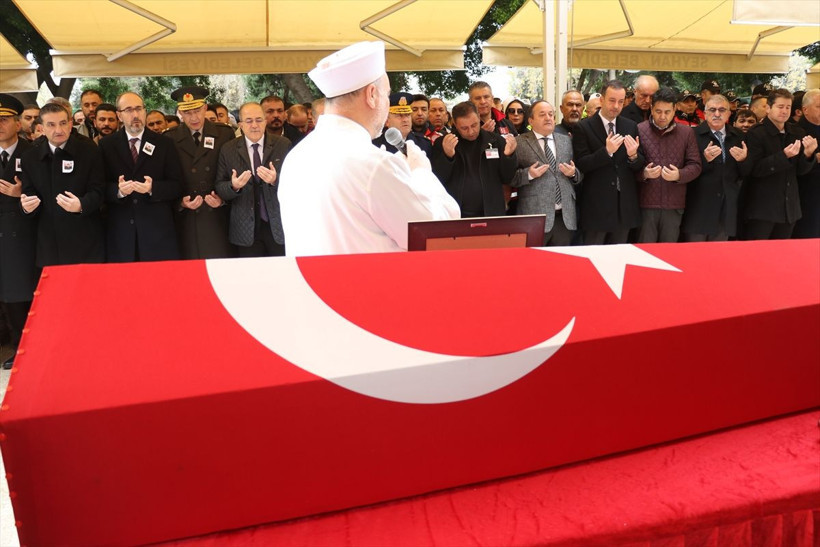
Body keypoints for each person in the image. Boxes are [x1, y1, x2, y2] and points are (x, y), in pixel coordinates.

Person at [279, 41, 459, 255]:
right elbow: (438, 233)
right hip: (369, 278)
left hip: (311, 278)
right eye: (386, 95)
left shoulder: (296, 156)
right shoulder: (373, 164)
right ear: (372, 95)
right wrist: (421, 172)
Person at [98, 91, 184, 262]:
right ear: (119, 116)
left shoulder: (164, 144)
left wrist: (153, 188)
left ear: (145, 111)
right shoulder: (106, 145)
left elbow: (177, 185)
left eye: (139, 109)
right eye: (129, 110)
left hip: (157, 235)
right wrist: (118, 191)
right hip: (121, 236)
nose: (135, 115)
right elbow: (99, 187)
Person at [19, 102, 105, 266]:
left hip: (85, 240)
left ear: (71, 124)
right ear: (41, 128)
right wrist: (26, 207)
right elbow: (28, 193)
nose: (58, 130)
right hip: (49, 244)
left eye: (63, 123)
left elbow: (99, 190)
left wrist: (81, 205)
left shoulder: (89, 151)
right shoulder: (30, 156)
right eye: (51, 125)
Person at [166, 86, 236, 258]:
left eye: (197, 111)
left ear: (205, 108)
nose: (194, 117)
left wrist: (223, 199)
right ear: (180, 113)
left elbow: (231, 172)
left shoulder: (224, 133)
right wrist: (180, 203)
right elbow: (167, 177)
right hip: (187, 217)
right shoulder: (170, 138)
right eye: (187, 112)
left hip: (217, 214)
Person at [572, 80, 644, 245]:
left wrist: (633, 156)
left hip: (624, 206)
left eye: (621, 101)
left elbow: (639, 164)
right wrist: (606, 152)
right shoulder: (583, 127)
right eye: (612, 100)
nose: (616, 106)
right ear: (602, 99)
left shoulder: (630, 126)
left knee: (619, 255)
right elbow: (582, 164)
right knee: (594, 254)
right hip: (597, 206)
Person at [215, 102, 290, 257]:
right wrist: (234, 186)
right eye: (249, 121)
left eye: (259, 120)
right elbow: (220, 187)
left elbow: (296, 183)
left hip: (278, 225)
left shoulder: (283, 144)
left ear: (265, 121)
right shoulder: (228, 149)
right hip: (245, 229)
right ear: (240, 125)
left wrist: (276, 180)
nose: (254, 125)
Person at [742, 89, 818, 240]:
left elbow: (800, 171)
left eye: (788, 107)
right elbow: (754, 169)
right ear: (768, 108)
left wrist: (808, 154)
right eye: (780, 106)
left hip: (790, 208)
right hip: (763, 209)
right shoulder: (756, 133)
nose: (784, 111)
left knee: (783, 252)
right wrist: (783, 156)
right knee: (757, 251)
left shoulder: (797, 132)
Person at [636, 87, 701, 243]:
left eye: (667, 112)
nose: (662, 116)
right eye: (658, 111)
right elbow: (629, 165)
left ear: (675, 109)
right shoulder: (639, 129)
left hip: (674, 204)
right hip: (646, 204)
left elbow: (695, 165)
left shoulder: (687, 133)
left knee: (669, 251)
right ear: (651, 108)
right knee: (645, 249)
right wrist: (644, 174)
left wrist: (679, 175)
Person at [511, 100, 581, 246]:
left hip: (565, 218)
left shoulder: (567, 141)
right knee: (534, 259)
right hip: (534, 217)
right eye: (542, 114)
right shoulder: (519, 142)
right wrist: (529, 174)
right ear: (531, 120)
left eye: (550, 114)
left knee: (562, 259)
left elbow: (580, 173)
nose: (548, 118)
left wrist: (573, 173)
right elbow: (509, 177)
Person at [0, 94, 36, 370]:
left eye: (4, 119)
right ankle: (14, 345)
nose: (0, 125)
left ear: (17, 123)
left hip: (23, 234)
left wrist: (21, 194)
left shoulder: (33, 153)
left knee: (21, 294)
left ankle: (26, 348)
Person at [432, 101, 517, 218]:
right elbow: (436, 181)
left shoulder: (496, 141)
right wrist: (447, 157)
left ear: (478, 117)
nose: (471, 132)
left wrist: (508, 156)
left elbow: (507, 177)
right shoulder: (443, 143)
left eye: (474, 125)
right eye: (464, 128)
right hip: (456, 214)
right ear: (455, 124)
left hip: (491, 212)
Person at [682, 94, 747, 241]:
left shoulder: (738, 136)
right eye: (712, 110)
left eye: (722, 110)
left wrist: (743, 160)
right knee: (694, 252)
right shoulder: (692, 135)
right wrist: (704, 160)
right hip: (699, 206)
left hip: (726, 206)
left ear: (729, 114)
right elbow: (685, 170)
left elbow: (745, 173)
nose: (717, 114)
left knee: (719, 253)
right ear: (705, 113)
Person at [372, 92, 433, 158]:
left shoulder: (424, 144)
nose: (405, 120)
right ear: (386, 121)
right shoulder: (374, 145)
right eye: (399, 115)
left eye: (407, 115)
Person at [793, 88, 820, 239]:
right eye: (819, 106)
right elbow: (795, 166)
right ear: (805, 110)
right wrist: (812, 157)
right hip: (806, 195)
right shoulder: (796, 132)